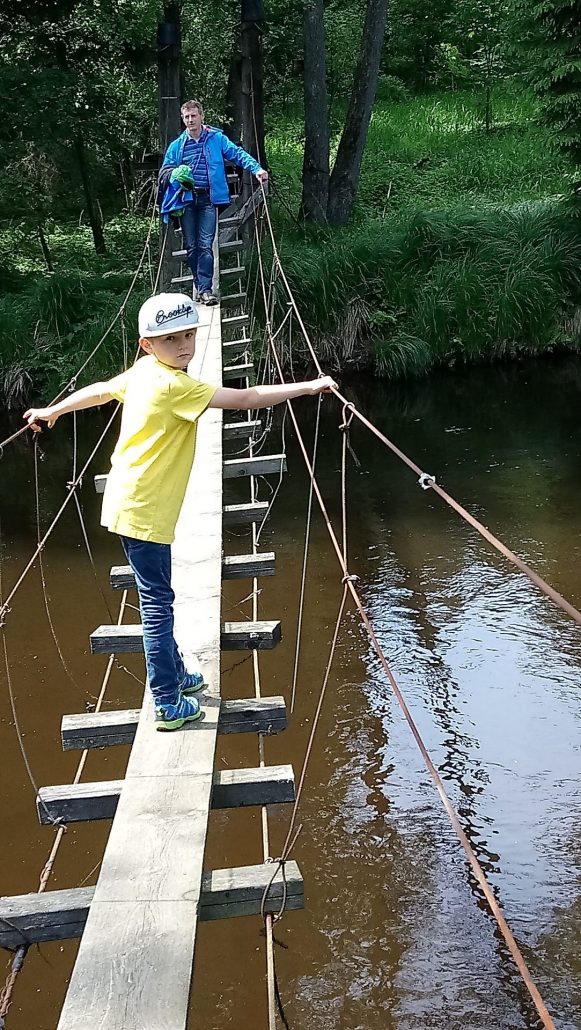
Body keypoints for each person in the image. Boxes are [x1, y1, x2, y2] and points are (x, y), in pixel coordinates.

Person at [24, 293, 336, 731]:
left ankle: (176, 675)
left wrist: (54, 409)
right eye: (171, 339)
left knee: (157, 595)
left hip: (131, 500)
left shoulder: (145, 371)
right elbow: (247, 398)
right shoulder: (176, 386)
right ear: (147, 344)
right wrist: (308, 387)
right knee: (157, 604)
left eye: (189, 335)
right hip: (145, 511)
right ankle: (167, 701)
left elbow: (102, 390)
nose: (184, 346)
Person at [160, 99, 268, 306]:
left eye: (193, 115)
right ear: (183, 119)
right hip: (187, 200)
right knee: (192, 247)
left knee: (205, 244)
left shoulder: (216, 139)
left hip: (208, 200)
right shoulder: (177, 146)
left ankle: (205, 290)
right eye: (186, 117)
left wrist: (256, 169)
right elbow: (164, 171)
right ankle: (199, 284)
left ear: (201, 116)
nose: (190, 120)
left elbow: (237, 154)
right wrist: (175, 174)